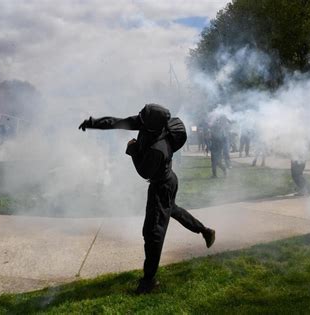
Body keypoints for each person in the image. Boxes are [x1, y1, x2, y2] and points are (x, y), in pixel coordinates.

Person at [79, 104, 215, 294]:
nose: (138, 118)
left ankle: (149, 281)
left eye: (143, 117)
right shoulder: (148, 123)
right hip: (165, 182)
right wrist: (92, 123)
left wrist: (132, 150)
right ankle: (205, 231)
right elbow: (118, 122)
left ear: (152, 125)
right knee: (172, 210)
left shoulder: (159, 148)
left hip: (162, 186)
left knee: (153, 233)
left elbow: (144, 171)